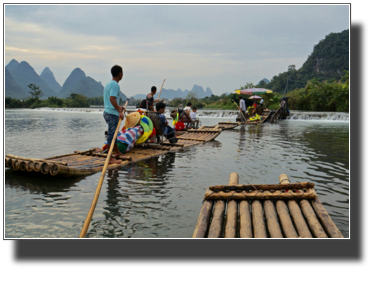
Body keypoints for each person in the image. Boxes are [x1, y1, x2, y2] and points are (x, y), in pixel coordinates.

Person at [103, 65, 126, 164]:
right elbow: (112, 98)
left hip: (108, 112)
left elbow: (112, 101)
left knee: (114, 133)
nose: (122, 75)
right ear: (120, 74)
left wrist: (119, 107)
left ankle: (116, 152)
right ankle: (110, 157)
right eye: (122, 73)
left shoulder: (108, 84)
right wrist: (119, 111)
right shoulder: (115, 85)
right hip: (112, 114)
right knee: (112, 135)